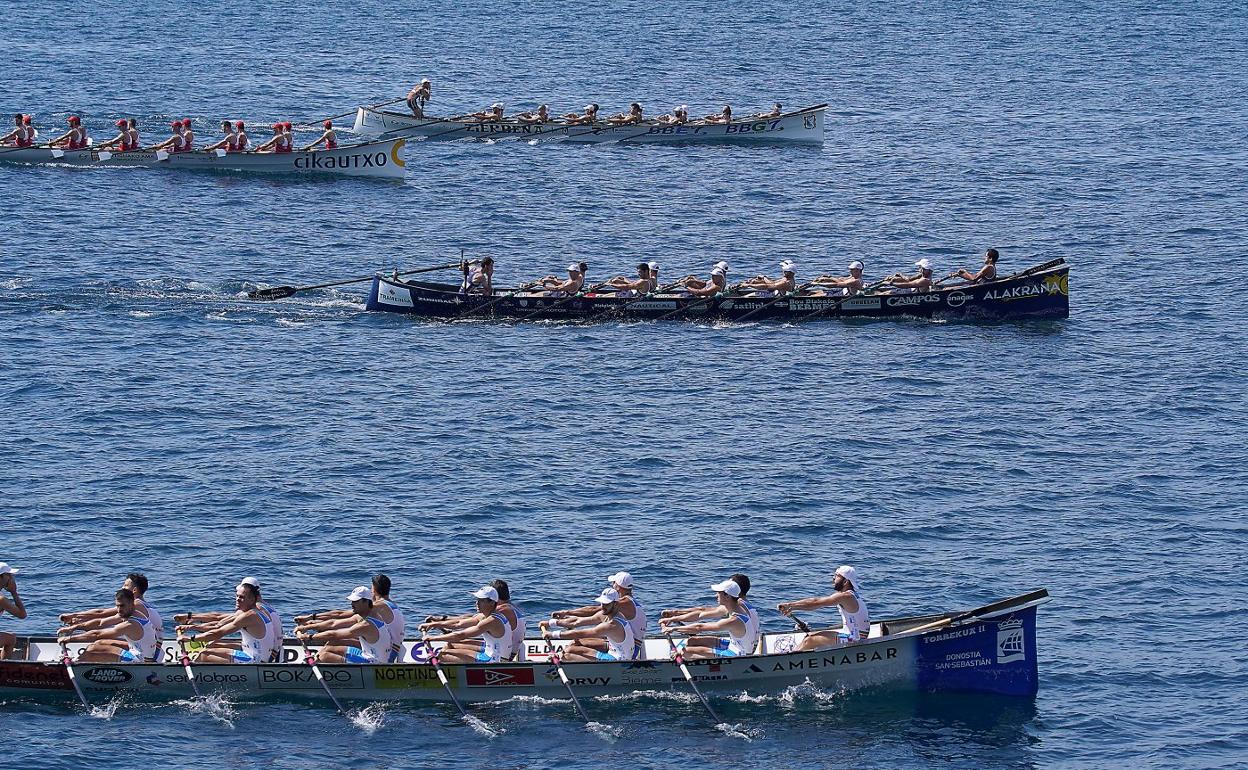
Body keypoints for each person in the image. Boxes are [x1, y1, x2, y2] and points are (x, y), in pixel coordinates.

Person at [293, 574, 403, 662]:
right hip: (383, 648)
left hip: (382, 660)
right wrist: (310, 623)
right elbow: (334, 623)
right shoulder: (375, 611)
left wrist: (308, 636)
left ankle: (323, 664)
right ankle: (321, 660)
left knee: (329, 647)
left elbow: (339, 619)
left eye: (355, 601)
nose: (352, 604)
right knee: (330, 646)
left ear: (373, 591)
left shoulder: (377, 607)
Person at [175, 576, 283, 661]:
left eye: (241, 597)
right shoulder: (261, 609)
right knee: (213, 644)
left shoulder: (249, 616)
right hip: (263, 652)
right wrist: (190, 625)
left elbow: (218, 631)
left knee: (203, 655)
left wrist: (190, 638)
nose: (237, 599)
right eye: (237, 596)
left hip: (255, 660)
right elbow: (219, 620)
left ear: (251, 599)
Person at [59, 573, 164, 658]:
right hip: (151, 648)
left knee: (95, 648)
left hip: (148, 656)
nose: (122, 587)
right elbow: (102, 622)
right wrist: (77, 624)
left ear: (134, 590)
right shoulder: (138, 608)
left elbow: (101, 614)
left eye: (125, 586)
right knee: (99, 643)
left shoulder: (136, 605)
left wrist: (73, 623)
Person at [549, 571, 647, 659]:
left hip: (628, 651)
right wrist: (554, 623)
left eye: (614, 583)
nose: (612, 585)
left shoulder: (622, 603)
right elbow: (583, 620)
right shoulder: (627, 603)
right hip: (620, 643)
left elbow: (593, 610)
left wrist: (567, 612)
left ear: (618, 587)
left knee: (571, 650)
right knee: (575, 643)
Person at [659, 578, 760, 659]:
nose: (716, 595)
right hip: (734, 645)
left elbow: (700, 627)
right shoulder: (735, 607)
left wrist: (672, 629)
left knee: (686, 651)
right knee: (692, 641)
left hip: (739, 655)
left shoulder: (735, 620)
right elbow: (700, 614)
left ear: (727, 597)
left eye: (718, 593)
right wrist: (673, 618)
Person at [777, 565, 869, 651]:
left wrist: (790, 605)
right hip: (853, 635)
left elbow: (816, 603)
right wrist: (792, 607)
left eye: (837, 576)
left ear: (845, 582)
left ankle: (788, 661)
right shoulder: (851, 595)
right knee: (810, 635)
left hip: (855, 639)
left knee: (810, 640)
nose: (833, 578)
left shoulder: (846, 596)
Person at [418, 585, 515, 663]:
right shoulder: (485, 615)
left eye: (481, 600)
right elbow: (458, 623)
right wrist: (434, 624)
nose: (477, 603)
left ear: (491, 603)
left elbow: (461, 635)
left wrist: (431, 638)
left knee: (443, 654)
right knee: (451, 644)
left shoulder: (492, 620)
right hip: (491, 651)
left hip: (497, 661)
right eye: (477, 599)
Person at [541, 588, 634, 661]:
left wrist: (552, 634)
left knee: (565, 656)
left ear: (615, 604)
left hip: (617, 661)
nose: (602, 607)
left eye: (606, 604)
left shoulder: (612, 625)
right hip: (611, 652)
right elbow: (577, 621)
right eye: (602, 603)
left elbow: (580, 633)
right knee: (571, 647)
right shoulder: (606, 614)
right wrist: (551, 623)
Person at [0, 563, 25, 659]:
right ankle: (4, 669)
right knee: (11, 639)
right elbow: (22, 615)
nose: (11, 577)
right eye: (8, 575)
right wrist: (14, 592)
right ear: (1, 577)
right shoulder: (1, 599)